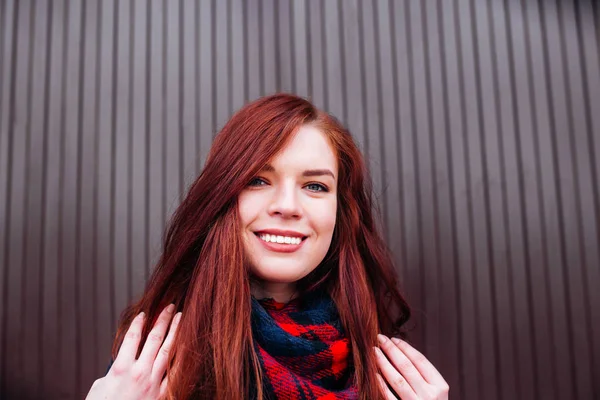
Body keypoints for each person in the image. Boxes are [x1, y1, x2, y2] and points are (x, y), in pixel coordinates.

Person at [85, 94, 449, 400]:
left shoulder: (385, 374)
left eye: (315, 186)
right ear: (222, 196)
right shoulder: (157, 365)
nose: (287, 205)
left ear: (341, 213)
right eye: (258, 180)